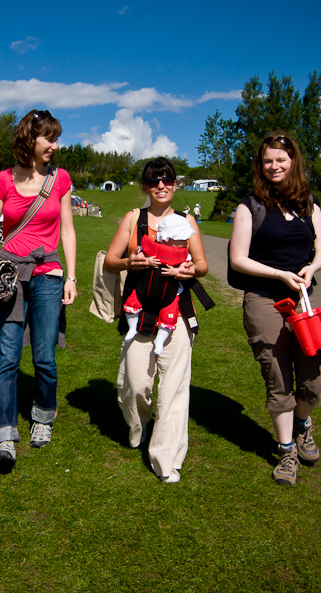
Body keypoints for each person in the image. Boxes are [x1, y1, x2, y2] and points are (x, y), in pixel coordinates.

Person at [0, 109, 76, 467]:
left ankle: (43, 416)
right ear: (30, 139)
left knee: (44, 357)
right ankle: (4, 435)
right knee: (8, 357)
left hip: (48, 274)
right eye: (50, 138)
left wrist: (71, 277)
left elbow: (68, 231)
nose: (55, 146)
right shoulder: (2, 180)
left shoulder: (60, 180)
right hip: (9, 276)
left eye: (56, 138)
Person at [229, 132, 321, 486]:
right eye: (268, 160)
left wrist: (311, 269)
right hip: (263, 298)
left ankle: (303, 422)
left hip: (301, 302)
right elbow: (237, 259)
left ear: (293, 162)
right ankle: (287, 452)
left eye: (281, 160)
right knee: (277, 375)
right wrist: (278, 273)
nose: (274, 166)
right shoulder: (250, 206)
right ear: (261, 165)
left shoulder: (308, 204)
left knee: (315, 376)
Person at [104, 157, 209, 484]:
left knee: (174, 389)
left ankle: (167, 461)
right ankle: (140, 425)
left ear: (175, 184)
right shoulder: (134, 219)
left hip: (177, 313)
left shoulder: (186, 220)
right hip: (140, 310)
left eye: (167, 180)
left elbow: (202, 265)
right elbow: (110, 261)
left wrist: (190, 269)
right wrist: (130, 262)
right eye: (153, 180)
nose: (161, 185)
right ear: (145, 186)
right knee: (135, 383)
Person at [122, 213, 195, 355]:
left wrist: (177, 271)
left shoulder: (185, 255)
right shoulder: (150, 248)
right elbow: (140, 256)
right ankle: (132, 327)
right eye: (183, 239)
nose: (187, 242)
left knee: (169, 315)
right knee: (132, 303)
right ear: (169, 239)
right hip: (143, 291)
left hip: (170, 296)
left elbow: (187, 266)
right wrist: (147, 261)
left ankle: (160, 341)